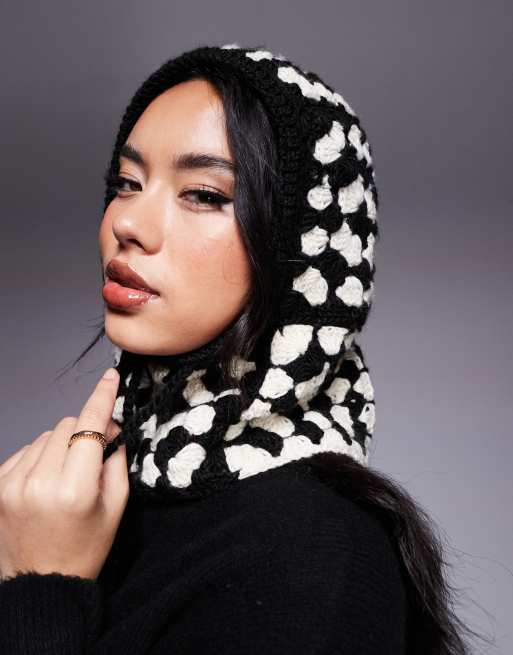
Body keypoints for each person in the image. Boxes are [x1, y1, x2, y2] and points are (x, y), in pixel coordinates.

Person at [0, 43, 482, 654]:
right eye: (127, 183)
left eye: (204, 194)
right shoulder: (78, 501)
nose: (128, 223)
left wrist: (42, 588)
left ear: (301, 249)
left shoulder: (316, 553)